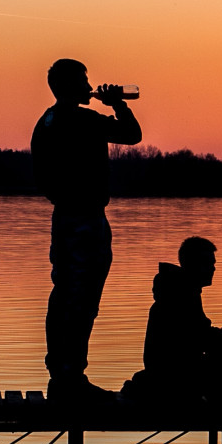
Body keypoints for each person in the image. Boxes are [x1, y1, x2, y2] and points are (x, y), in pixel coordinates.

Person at [31, 58, 142, 401]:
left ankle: (61, 374)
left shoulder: (46, 121)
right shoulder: (83, 119)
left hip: (63, 217)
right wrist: (118, 104)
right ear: (68, 86)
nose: (89, 87)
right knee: (82, 298)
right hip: (85, 219)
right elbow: (132, 135)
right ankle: (72, 378)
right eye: (84, 81)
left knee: (64, 293)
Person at [123, 236, 222, 406]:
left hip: (175, 371)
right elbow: (201, 339)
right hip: (174, 377)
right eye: (208, 264)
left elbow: (199, 335)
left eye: (213, 264)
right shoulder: (180, 296)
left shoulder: (182, 290)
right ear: (193, 264)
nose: (213, 269)